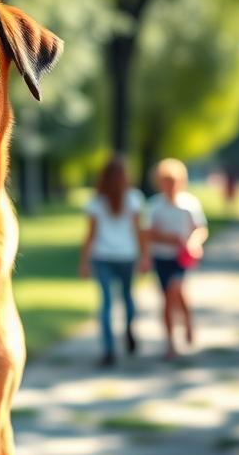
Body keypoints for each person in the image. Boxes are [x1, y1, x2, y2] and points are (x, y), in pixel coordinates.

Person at [78, 157, 149, 367]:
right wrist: (145, 255)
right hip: (127, 255)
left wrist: (84, 261)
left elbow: (90, 236)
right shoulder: (134, 198)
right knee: (127, 297)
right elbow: (139, 232)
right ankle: (128, 330)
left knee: (107, 304)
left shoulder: (96, 202)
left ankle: (109, 349)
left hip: (103, 257)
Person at [144, 158, 208, 360]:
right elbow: (148, 233)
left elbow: (200, 229)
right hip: (161, 256)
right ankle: (170, 340)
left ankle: (187, 321)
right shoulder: (154, 206)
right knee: (168, 298)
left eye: (173, 180)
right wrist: (169, 239)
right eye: (165, 181)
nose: (169, 185)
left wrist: (194, 243)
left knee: (176, 289)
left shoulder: (189, 204)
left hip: (181, 257)